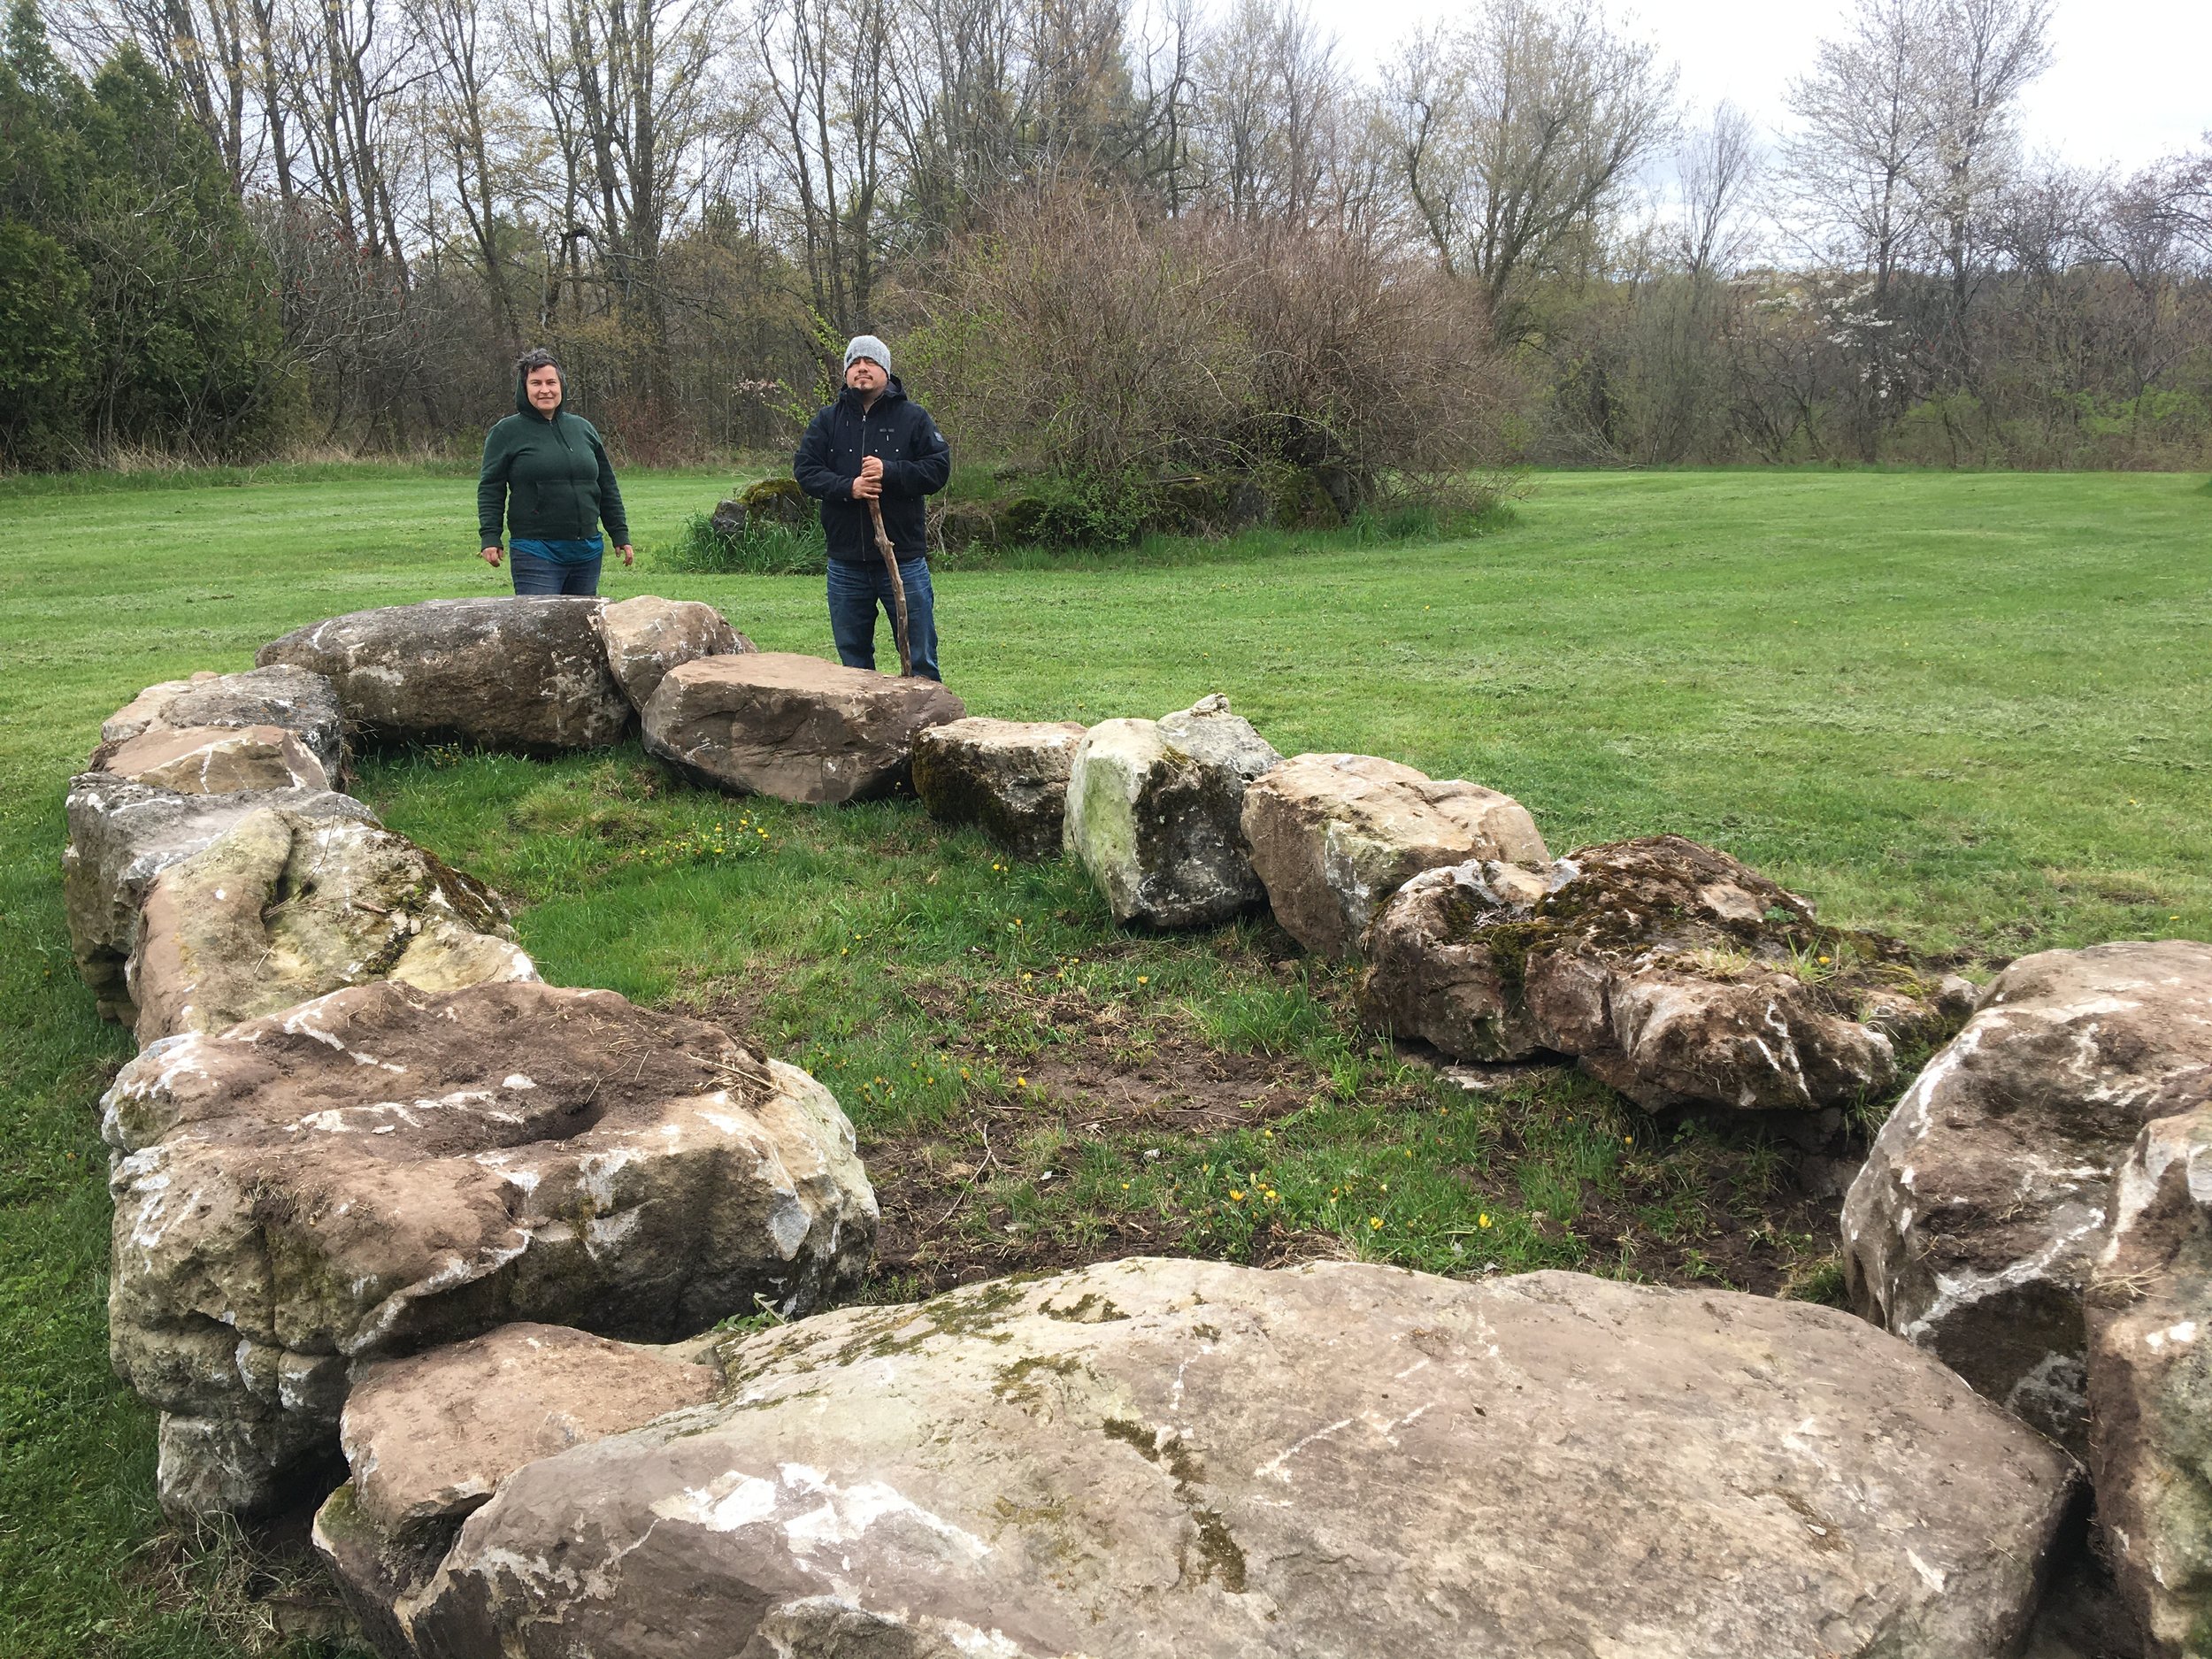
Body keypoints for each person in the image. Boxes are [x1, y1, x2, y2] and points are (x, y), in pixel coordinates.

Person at [793, 334, 951, 680]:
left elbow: (938, 469)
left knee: (920, 654)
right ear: (847, 372)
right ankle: (866, 728)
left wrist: (890, 472)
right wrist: (849, 487)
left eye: (870, 362)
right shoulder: (827, 421)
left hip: (903, 559)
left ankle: (930, 723)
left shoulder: (914, 418)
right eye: (854, 363)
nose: (861, 368)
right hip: (845, 563)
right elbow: (806, 471)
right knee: (854, 662)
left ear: (886, 370)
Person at [477, 348, 634, 596]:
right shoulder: (506, 432)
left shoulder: (583, 429)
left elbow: (606, 485)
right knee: (538, 628)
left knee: (584, 628)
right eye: (536, 383)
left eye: (551, 382)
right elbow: (490, 489)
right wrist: (490, 537)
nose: (545, 390)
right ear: (524, 388)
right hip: (535, 550)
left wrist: (619, 533)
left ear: (562, 385)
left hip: (587, 550)